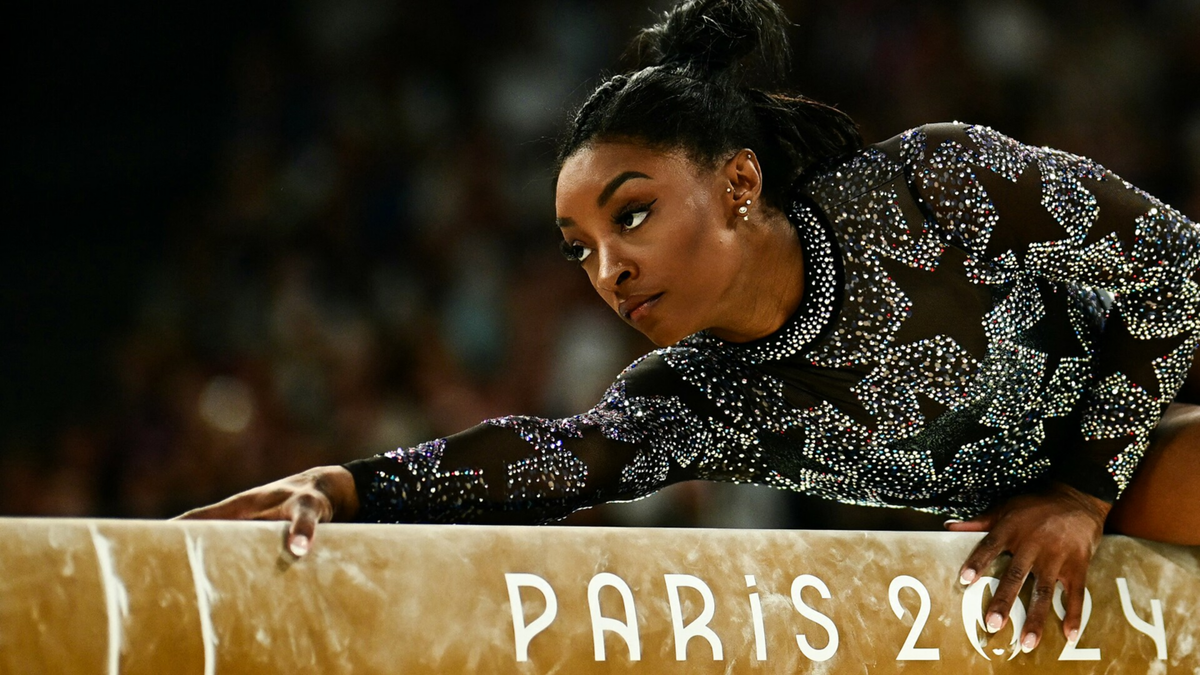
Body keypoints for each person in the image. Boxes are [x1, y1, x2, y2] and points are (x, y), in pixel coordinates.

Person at [179, 0, 1200, 656]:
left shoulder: (939, 188)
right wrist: (347, 486)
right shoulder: (699, 402)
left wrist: (1075, 487)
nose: (609, 269)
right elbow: (551, 458)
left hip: (1147, 410)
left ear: (739, 185)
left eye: (631, 214)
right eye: (578, 247)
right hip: (1111, 491)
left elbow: (1175, 271)